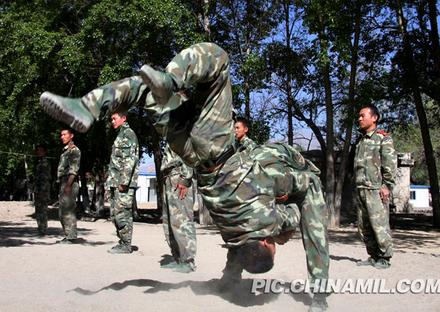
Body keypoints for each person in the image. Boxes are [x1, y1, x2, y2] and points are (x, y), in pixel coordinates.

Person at [39, 42, 329, 310]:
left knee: (218, 61)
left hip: (215, 147)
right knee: (145, 91)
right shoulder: (235, 233)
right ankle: (95, 104)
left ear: (266, 241)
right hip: (189, 153)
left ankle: (113, 97)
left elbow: (305, 202)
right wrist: (316, 296)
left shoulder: (268, 215)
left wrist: (296, 191)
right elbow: (248, 245)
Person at [354, 104, 397, 269]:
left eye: (362, 115)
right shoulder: (360, 141)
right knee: (364, 225)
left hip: (376, 189)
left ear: (374, 118)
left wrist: (387, 185)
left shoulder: (383, 138)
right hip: (361, 188)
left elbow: (390, 164)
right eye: (359, 116)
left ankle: (385, 257)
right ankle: (373, 255)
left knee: (379, 224)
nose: (359, 118)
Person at [106, 111, 140, 254]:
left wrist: (124, 182)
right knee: (115, 214)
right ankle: (122, 241)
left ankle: (126, 245)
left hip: (123, 183)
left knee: (123, 214)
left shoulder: (128, 134)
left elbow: (129, 160)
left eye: (115, 118)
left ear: (123, 118)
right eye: (111, 119)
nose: (112, 121)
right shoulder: (121, 134)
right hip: (115, 181)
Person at [160, 144, 196, 272]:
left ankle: (188, 261)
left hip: (180, 178)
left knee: (183, 221)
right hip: (169, 178)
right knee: (170, 222)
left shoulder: (183, 126)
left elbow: (190, 152)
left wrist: (186, 178)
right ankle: (178, 259)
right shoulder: (171, 130)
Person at [56, 128, 81, 243]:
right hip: (64, 182)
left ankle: (71, 237)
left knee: (68, 210)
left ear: (71, 136)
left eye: (65, 134)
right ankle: (68, 235)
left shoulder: (74, 150)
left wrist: (68, 185)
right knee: (62, 211)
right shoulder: (65, 151)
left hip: (70, 182)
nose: (62, 137)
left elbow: (74, 170)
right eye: (61, 135)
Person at [33, 144, 51, 235]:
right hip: (38, 189)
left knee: (42, 210)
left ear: (44, 152)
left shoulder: (44, 162)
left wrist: (42, 191)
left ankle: (43, 229)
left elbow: (44, 178)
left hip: (42, 190)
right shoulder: (39, 162)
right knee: (38, 209)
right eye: (37, 150)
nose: (38, 152)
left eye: (40, 150)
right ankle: (40, 228)